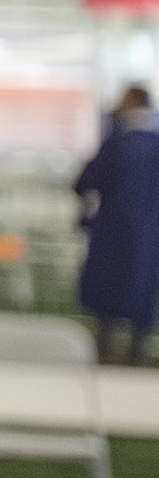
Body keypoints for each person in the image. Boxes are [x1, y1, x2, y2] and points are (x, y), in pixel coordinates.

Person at [76, 86, 159, 364]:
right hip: (150, 235)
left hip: (114, 231)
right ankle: (137, 360)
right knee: (142, 297)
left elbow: (87, 180)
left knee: (108, 303)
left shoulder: (120, 143)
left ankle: (105, 361)